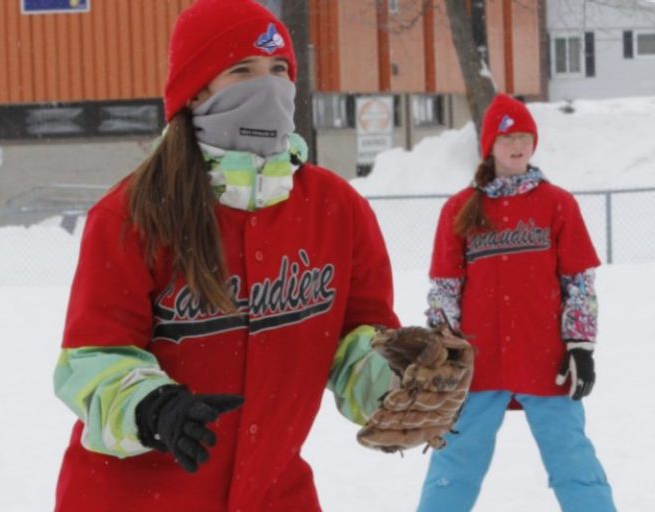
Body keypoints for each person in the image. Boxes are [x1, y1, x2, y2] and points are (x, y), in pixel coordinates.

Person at [53, 1, 401, 510]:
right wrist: (153, 407)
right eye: (243, 71)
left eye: (279, 70)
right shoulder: (132, 216)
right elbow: (91, 360)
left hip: (274, 494)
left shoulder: (336, 209)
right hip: (136, 498)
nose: (270, 87)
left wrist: (398, 384)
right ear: (196, 90)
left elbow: (356, 342)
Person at [416, 94, 616, 511]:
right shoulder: (460, 208)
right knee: (455, 462)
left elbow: (579, 282)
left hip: (545, 359)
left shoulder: (557, 204)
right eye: (508, 137)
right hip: (477, 362)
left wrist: (580, 347)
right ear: (490, 145)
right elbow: (445, 288)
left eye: (525, 136)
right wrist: (442, 350)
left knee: (572, 457)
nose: (517, 145)